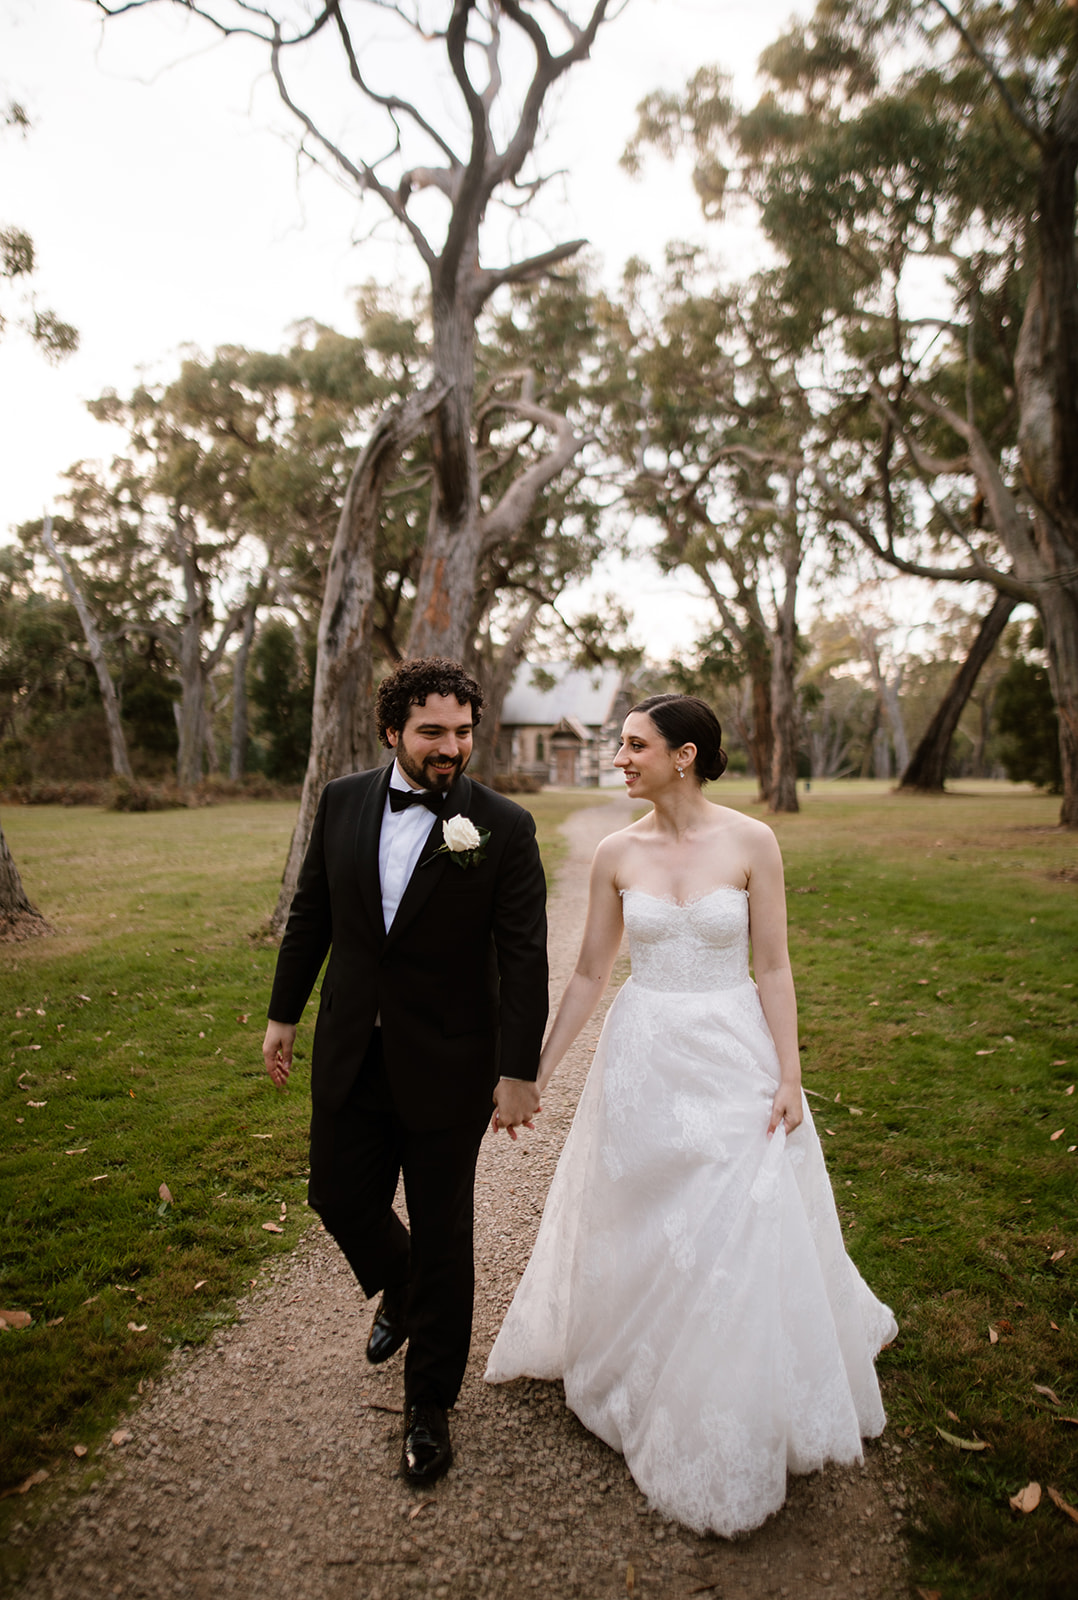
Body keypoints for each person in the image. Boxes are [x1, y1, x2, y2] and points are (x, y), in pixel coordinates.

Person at [485, 693, 897, 1537]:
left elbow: (773, 966)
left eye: (635, 746)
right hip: (645, 1058)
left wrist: (789, 1075)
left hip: (733, 1051)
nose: (620, 757)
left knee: (740, 1211)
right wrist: (532, 1075)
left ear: (685, 755)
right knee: (649, 1216)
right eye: (620, 744)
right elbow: (591, 976)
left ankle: (729, 1394)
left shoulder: (753, 841)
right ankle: (645, 1364)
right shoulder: (613, 852)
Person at [264, 658, 548, 1486]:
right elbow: (312, 911)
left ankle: (429, 1407)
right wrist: (284, 1014)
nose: (450, 747)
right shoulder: (346, 799)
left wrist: (516, 1069)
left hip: (452, 1061)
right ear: (392, 731)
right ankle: (405, 1280)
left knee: (444, 1221)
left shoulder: (504, 825)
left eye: (462, 731)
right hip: (353, 1047)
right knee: (336, 1194)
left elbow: (523, 956)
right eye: (432, 732)